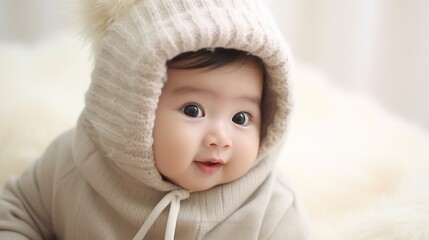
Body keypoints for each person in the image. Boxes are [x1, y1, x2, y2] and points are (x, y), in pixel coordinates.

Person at [0, 0, 312, 239]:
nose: (220, 138)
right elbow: (16, 213)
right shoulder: (72, 164)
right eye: (193, 110)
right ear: (133, 108)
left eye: (241, 117)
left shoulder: (272, 207)